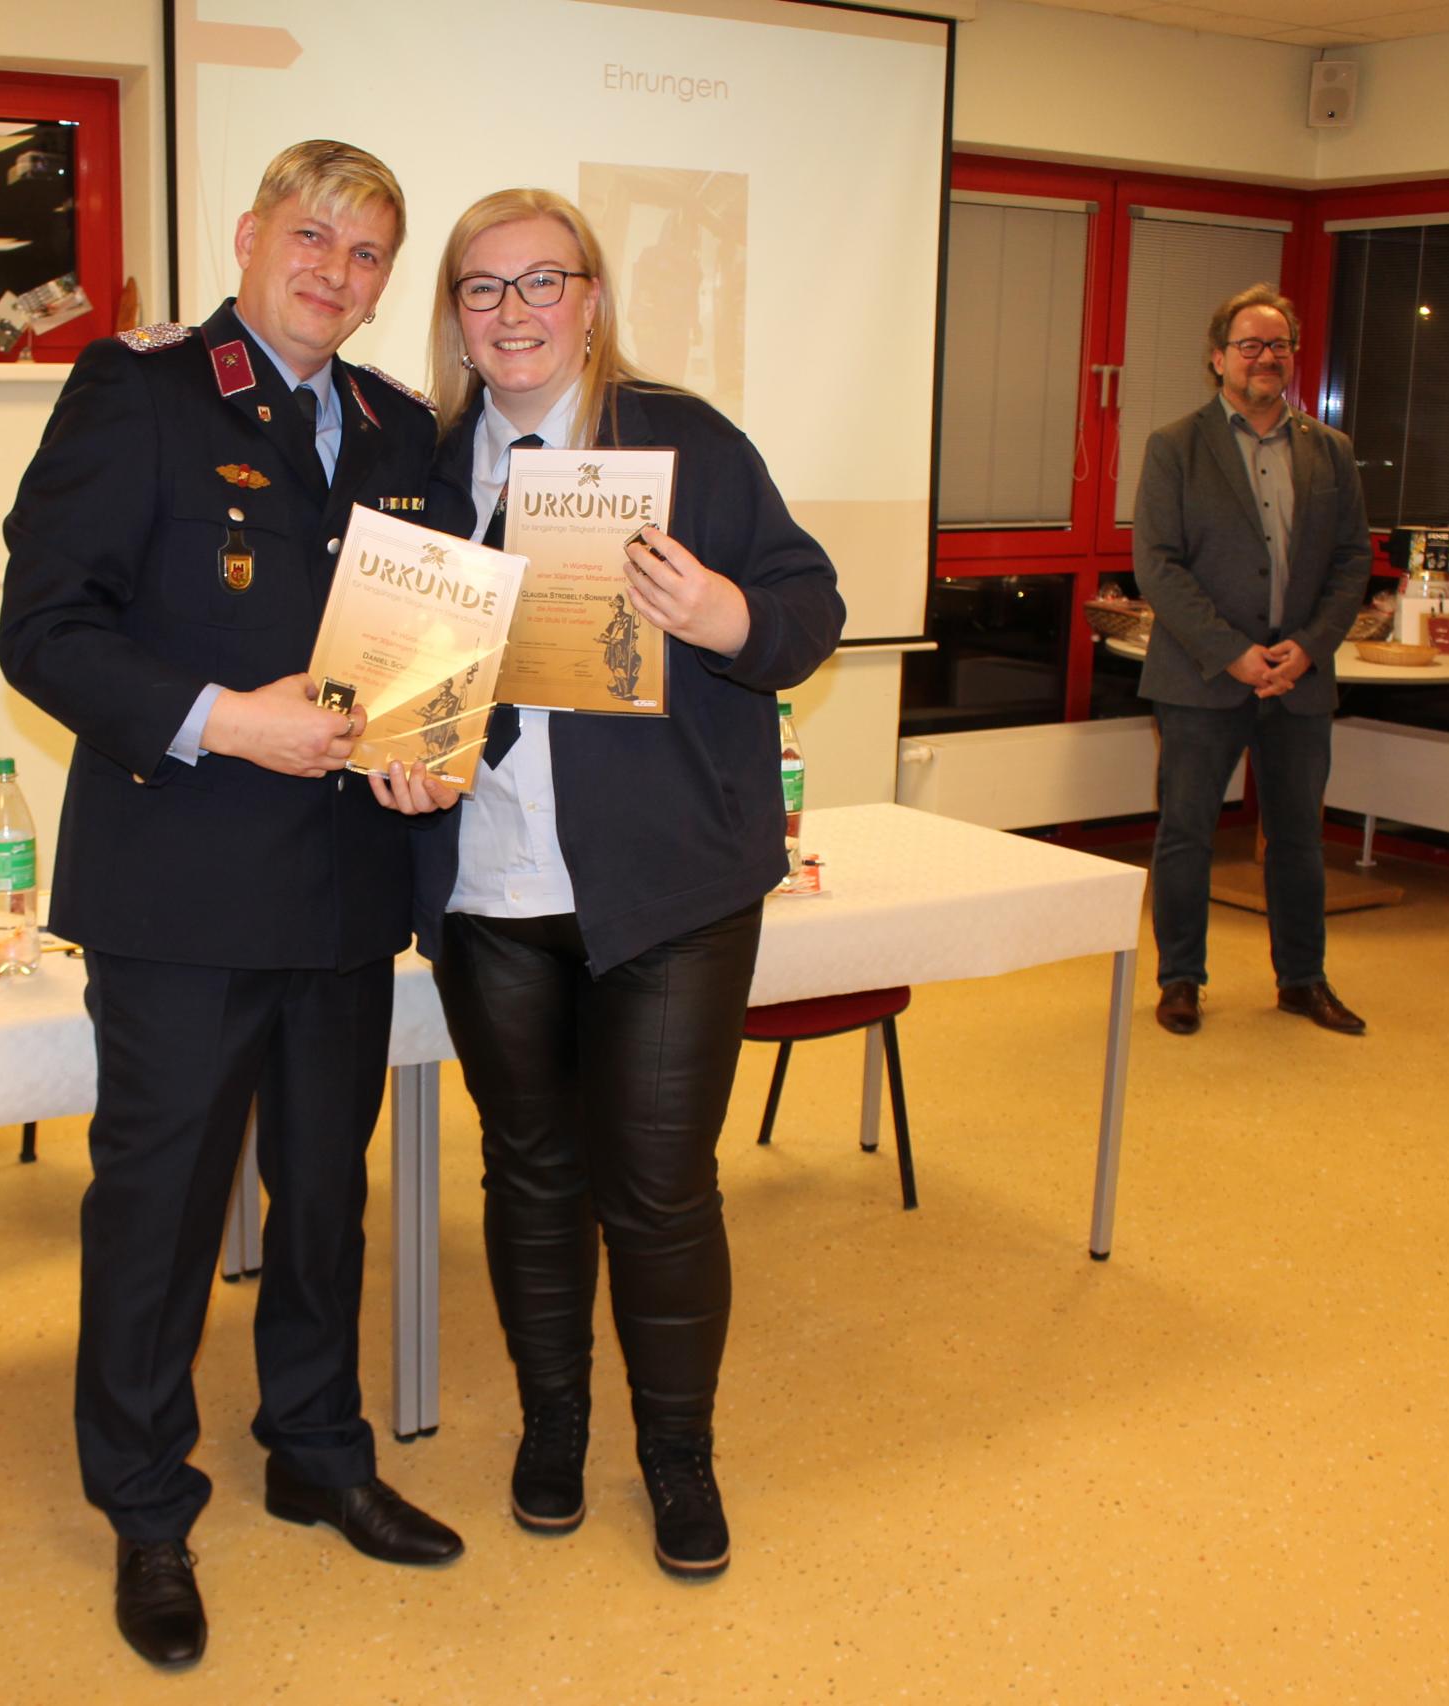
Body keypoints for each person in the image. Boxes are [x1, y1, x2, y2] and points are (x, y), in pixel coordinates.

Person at [0, 139, 463, 1672]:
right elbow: (45, 628)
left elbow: (430, 636)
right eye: (312, 236)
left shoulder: (399, 426)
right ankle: (145, 1505)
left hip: (344, 885)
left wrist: (430, 742)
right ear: (252, 235)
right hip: (182, 886)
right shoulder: (137, 394)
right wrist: (223, 718)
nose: (336, 271)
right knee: (164, 1210)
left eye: (367, 253)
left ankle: (317, 1449)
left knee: (325, 1197)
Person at [375, 188, 841, 1580]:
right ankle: (555, 1426)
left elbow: (807, 608)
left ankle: (677, 1453)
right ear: (455, 314)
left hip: (668, 889)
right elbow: (390, 663)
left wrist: (725, 615)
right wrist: (394, 754)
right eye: (482, 287)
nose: (513, 310)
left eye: (543, 280)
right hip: (490, 890)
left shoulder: (684, 443)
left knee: (658, 1186)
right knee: (529, 1173)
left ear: (589, 299)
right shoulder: (418, 465)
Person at [1132, 282, 1374, 1039]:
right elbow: (1158, 565)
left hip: (1299, 680)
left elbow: (1353, 561)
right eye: (1249, 345)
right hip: (1202, 677)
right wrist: (1232, 652)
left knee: (1299, 839)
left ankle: (1302, 981)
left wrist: (1311, 646)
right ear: (1218, 358)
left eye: (1278, 345)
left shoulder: (1330, 451)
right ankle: (1180, 980)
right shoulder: (1175, 446)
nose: (1265, 357)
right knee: (1186, 834)